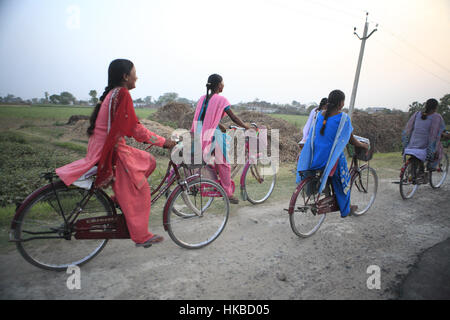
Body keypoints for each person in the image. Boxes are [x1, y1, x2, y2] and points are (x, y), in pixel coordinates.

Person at [56, 59, 176, 248]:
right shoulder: (123, 94)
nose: (137, 76)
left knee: (149, 161)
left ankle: (120, 199)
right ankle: (141, 235)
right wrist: (165, 142)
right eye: (134, 72)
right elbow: (136, 130)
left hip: (103, 146)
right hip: (111, 150)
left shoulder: (113, 94)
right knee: (141, 188)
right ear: (125, 76)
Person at [296, 90, 369, 218]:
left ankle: (328, 194)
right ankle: (346, 209)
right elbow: (351, 140)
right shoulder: (343, 119)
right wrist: (363, 145)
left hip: (315, 157)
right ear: (341, 103)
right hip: (329, 160)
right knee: (343, 180)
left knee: (335, 169)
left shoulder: (319, 115)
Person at [191, 74, 250, 204]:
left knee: (204, 160)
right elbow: (233, 117)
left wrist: (220, 125)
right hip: (212, 135)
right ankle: (228, 193)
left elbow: (206, 117)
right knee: (224, 163)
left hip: (198, 132)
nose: (224, 85)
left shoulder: (202, 98)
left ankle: (211, 180)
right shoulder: (221, 99)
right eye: (223, 83)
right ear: (219, 85)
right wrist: (246, 126)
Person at [402, 98, 446, 181]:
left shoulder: (417, 114)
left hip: (412, 143)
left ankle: (416, 172)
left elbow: (408, 128)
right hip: (425, 145)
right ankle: (431, 166)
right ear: (435, 108)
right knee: (437, 149)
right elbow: (439, 131)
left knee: (420, 154)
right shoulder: (437, 117)